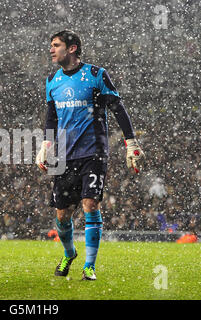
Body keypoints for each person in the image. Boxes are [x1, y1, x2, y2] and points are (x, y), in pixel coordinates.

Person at [36, 30, 145, 280]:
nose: (51, 50)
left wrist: (131, 141)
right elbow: (51, 116)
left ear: (71, 48)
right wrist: (45, 144)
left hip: (93, 152)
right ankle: (69, 253)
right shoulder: (52, 80)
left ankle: (89, 265)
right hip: (64, 155)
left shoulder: (96, 75)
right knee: (62, 216)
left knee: (90, 204)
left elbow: (117, 107)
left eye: (56, 45)